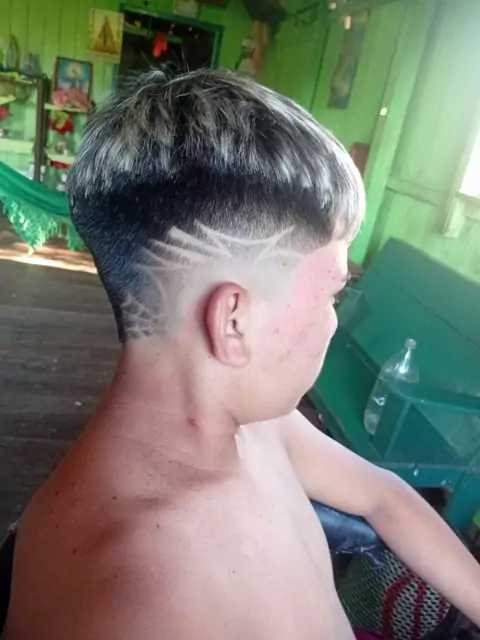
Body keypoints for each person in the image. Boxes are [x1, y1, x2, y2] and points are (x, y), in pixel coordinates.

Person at [6, 70, 480, 639]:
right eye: (333, 293)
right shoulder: (135, 604)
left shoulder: (255, 425)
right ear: (234, 321)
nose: (335, 319)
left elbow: (384, 495)